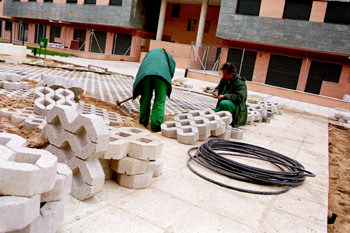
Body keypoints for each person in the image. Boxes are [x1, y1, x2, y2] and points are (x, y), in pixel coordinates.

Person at [132, 48, 176, 132]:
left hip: (146, 75)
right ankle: (155, 126)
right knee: (159, 101)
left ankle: (143, 122)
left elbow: (143, 66)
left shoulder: (149, 54)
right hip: (162, 77)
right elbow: (172, 68)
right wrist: (168, 77)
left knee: (145, 98)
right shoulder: (167, 56)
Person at [212, 62, 248, 127]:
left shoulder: (240, 83)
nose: (223, 76)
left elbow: (240, 97)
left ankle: (228, 123)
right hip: (223, 102)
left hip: (237, 106)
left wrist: (225, 96)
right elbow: (219, 87)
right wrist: (216, 91)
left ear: (231, 74)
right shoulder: (224, 79)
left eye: (225, 74)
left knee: (225, 103)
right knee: (213, 115)